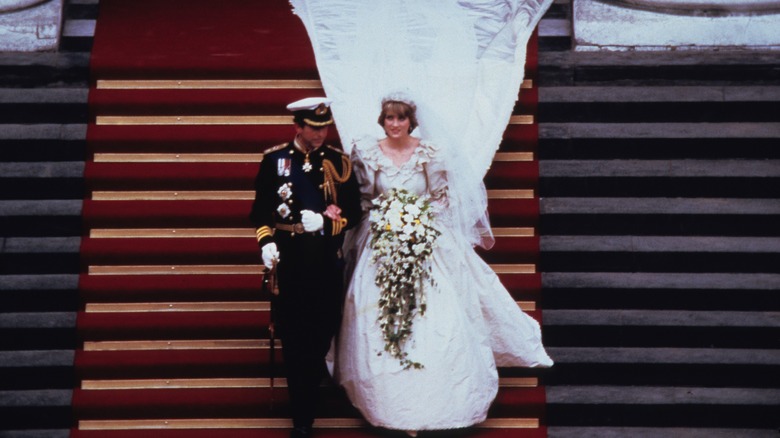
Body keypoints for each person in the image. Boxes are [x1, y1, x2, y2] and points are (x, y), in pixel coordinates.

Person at [331, 94, 553, 434]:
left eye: (400, 119)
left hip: (425, 239)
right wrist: (388, 223)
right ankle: (390, 403)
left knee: (435, 317)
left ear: (411, 121)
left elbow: (439, 198)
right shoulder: (367, 152)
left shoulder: (430, 153)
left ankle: (437, 398)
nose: (394, 125)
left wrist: (416, 225)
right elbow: (365, 199)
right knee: (378, 316)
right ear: (382, 120)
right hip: (380, 241)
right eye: (389, 119)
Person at [249, 97, 361, 438]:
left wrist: (327, 227)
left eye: (324, 127)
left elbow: (354, 211)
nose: (320, 134)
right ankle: (302, 417)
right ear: (298, 126)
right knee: (294, 339)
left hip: (325, 262)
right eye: (313, 128)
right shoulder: (276, 160)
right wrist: (265, 243)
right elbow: (260, 212)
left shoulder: (338, 162)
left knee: (320, 334)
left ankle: (309, 393)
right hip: (290, 264)